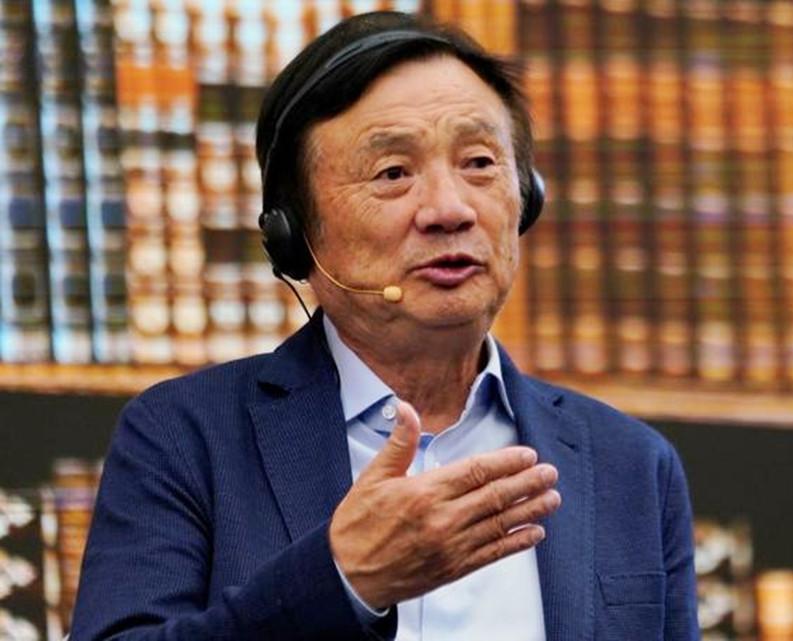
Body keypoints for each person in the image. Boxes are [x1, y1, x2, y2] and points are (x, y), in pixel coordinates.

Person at [71, 11, 699, 641]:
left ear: (526, 199)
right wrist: (342, 579)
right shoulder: (185, 437)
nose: (449, 209)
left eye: (480, 162)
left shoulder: (631, 466)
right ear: (295, 234)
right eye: (393, 173)